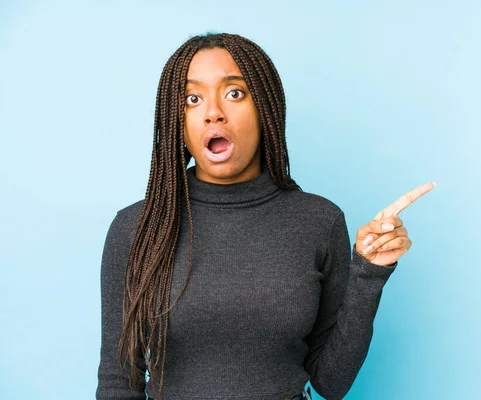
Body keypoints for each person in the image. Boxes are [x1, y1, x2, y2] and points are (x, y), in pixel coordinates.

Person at [95, 32, 435, 400]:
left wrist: (369, 273)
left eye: (234, 93)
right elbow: (119, 383)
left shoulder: (319, 222)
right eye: (193, 99)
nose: (213, 111)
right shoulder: (136, 229)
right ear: (177, 120)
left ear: (265, 108)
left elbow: (331, 383)